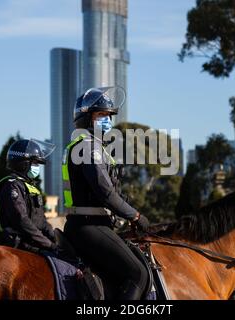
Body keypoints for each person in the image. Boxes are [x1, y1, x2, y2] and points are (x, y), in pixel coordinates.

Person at [63, 87, 150, 300]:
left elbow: (113, 193)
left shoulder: (94, 148)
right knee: (138, 274)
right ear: (86, 119)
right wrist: (135, 216)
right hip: (88, 226)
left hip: (95, 224)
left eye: (109, 116)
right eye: (101, 115)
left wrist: (126, 214)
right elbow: (105, 193)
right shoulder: (87, 147)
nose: (107, 121)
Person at [0, 139, 58, 254]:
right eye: (34, 163)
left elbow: (42, 222)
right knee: (63, 268)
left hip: (33, 242)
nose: (37, 167)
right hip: (19, 245)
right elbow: (22, 220)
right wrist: (48, 244)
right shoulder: (12, 185)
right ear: (23, 163)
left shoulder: (30, 187)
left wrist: (55, 238)